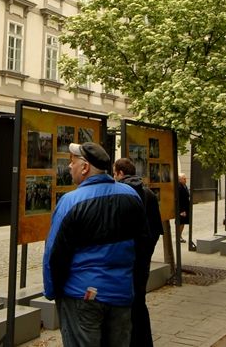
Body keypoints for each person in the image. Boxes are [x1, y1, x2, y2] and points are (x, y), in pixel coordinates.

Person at [44, 142, 146, 347]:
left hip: (81, 294)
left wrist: (51, 291)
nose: (69, 166)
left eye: (72, 162)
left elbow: (55, 254)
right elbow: (142, 243)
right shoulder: (131, 195)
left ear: (85, 167)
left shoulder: (71, 201)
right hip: (121, 293)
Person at [114, 157, 163, 347]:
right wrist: (146, 251)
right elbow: (157, 229)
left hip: (125, 260)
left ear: (120, 173)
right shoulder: (148, 193)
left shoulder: (119, 193)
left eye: (114, 172)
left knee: (124, 303)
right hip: (142, 259)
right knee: (139, 301)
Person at [176, 173, 190, 243]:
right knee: (181, 223)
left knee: (183, 223)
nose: (185, 180)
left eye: (185, 178)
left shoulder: (184, 186)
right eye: (184, 179)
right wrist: (181, 210)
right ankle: (178, 237)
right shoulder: (179, 187)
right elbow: (179, 200)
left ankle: (179, 236)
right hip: (181, 209)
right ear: (180, 179)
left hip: (185, 208)